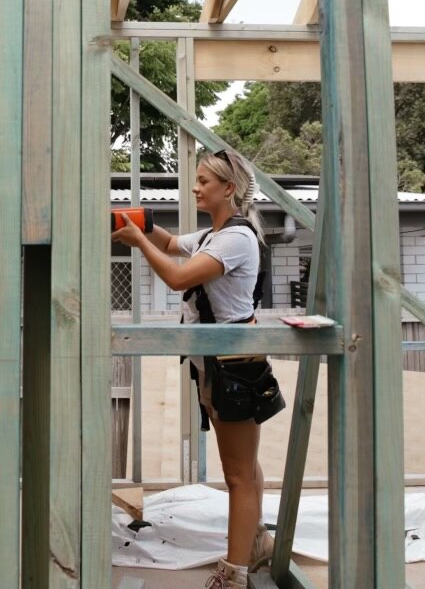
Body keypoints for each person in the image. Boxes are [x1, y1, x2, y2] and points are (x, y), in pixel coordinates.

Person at [111, 149, 284, 589]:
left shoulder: (236, 239)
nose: (195, 187)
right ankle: (257, 540)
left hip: (234, 366)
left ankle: (234, 574)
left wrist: (137, 241)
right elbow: (172, 245)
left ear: (229, 188)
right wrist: (141, 223)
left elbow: (177, 277)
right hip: (219, 364)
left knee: (238, 475)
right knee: (245, 465)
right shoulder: (213, 235)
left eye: (204, 180)